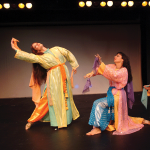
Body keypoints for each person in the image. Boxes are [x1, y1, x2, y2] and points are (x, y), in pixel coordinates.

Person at [11, 38, 80, 130]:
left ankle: (66, 120)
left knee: (66, 97)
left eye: (37, 43)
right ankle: (37, 120)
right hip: (54, 77)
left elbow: (67, 53)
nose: (38, 44)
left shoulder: (56, 49)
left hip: (64, 74)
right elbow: (28, 56)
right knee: (52, 99)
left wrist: (74, 65)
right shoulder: (40, 58)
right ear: (36, 51)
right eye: (35, 46)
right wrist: (16, 48)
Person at [84, 52, 150, 135]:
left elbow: (114, 75)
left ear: (122, 60)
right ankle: (142, 120)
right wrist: (91, 73)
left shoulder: (123, 70)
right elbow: (101, 70)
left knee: (98, 103)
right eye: (115, 55)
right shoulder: (112, 66)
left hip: (118, 95)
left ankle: (97, 128)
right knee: (123, 118)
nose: (115, 56)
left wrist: (101, 63)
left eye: (118, 56)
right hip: (111, 93)